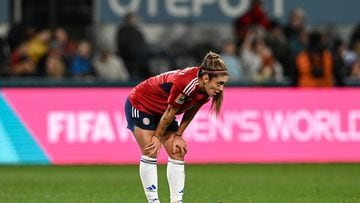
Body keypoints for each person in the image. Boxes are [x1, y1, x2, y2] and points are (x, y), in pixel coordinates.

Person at [125, 52, 228, 203]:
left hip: (163, 111)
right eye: (219, 83)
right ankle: (153, 201)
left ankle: (176, 201)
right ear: (206, 78)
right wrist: (157, 137)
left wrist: (179, 135)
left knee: (178, 151)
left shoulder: (205, 90)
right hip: (141, 104)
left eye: (223, 84)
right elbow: (170, 112)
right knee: (151, 150)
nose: (221, 88)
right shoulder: (186, 83)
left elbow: (192, 109)